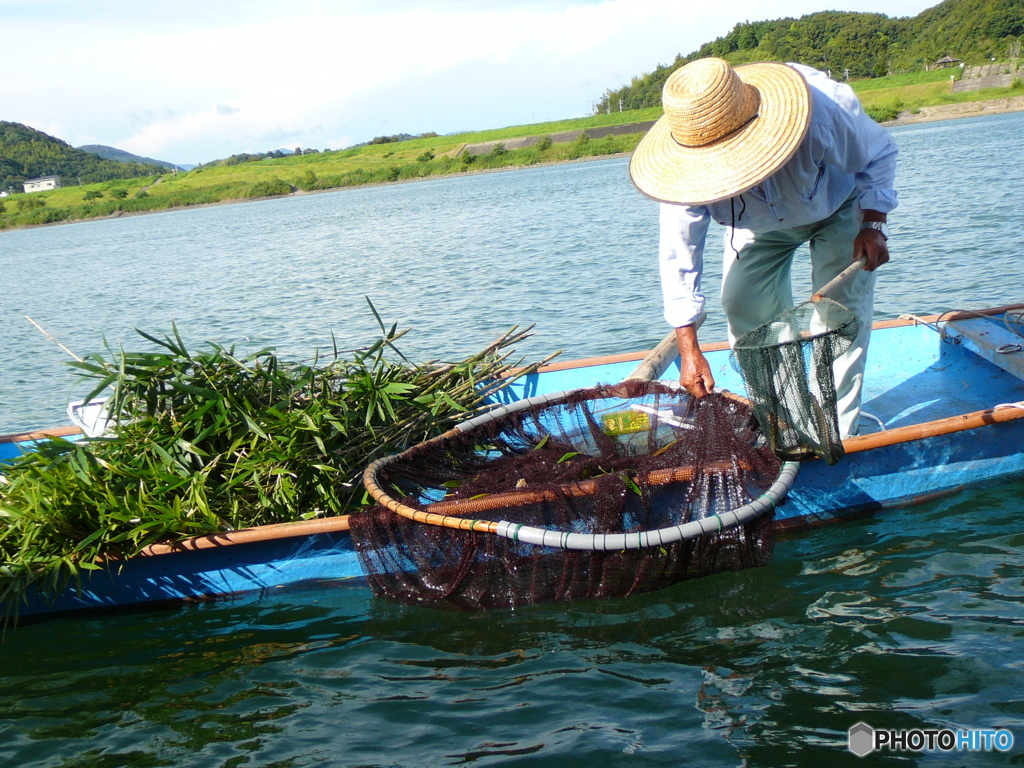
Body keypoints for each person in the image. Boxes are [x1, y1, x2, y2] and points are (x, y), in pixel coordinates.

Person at [629, 57, 897, 437]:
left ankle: (836, 434)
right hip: (755, 222)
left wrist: (873, 224)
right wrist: (689, 349)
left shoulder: (824, 111)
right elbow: (679, 256)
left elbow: (879, 154)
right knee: (741, 304)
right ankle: (786, 423)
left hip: (837, 204)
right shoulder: (681, 174)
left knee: (840, 316)